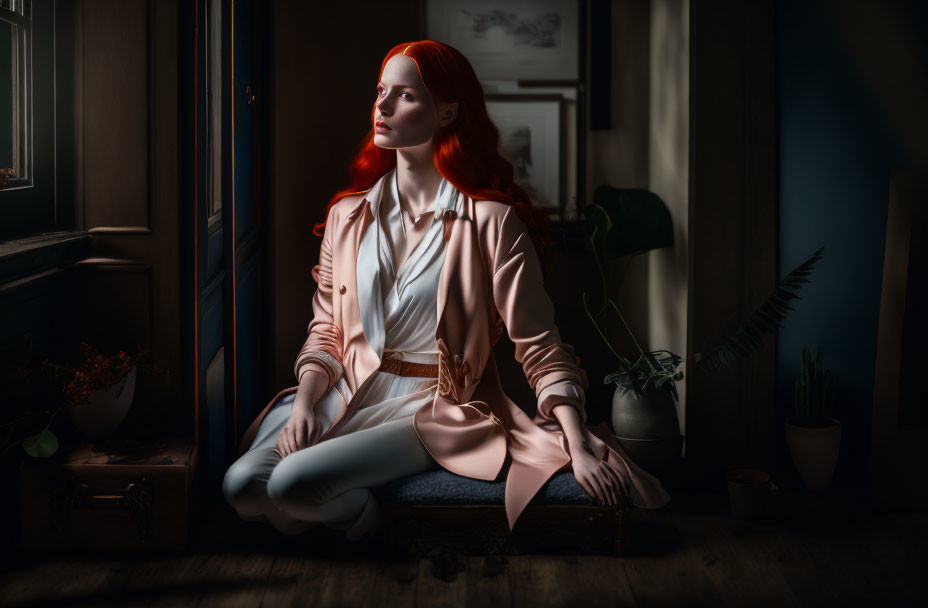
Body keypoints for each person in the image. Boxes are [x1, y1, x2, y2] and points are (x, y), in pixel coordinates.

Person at [222, 40, 670, 542]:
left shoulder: (492, 223)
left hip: (431, 407)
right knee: (240, 486)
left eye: (405, 95)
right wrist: (305, 403)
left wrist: (580, 444)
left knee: (290, 486)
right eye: (380, 92)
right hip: (346, 388)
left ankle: (369, 537)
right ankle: (345, 513)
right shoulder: (346, 217)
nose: (383, 107)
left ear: (448, 110)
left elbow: (541, 347)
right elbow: (326, 330)